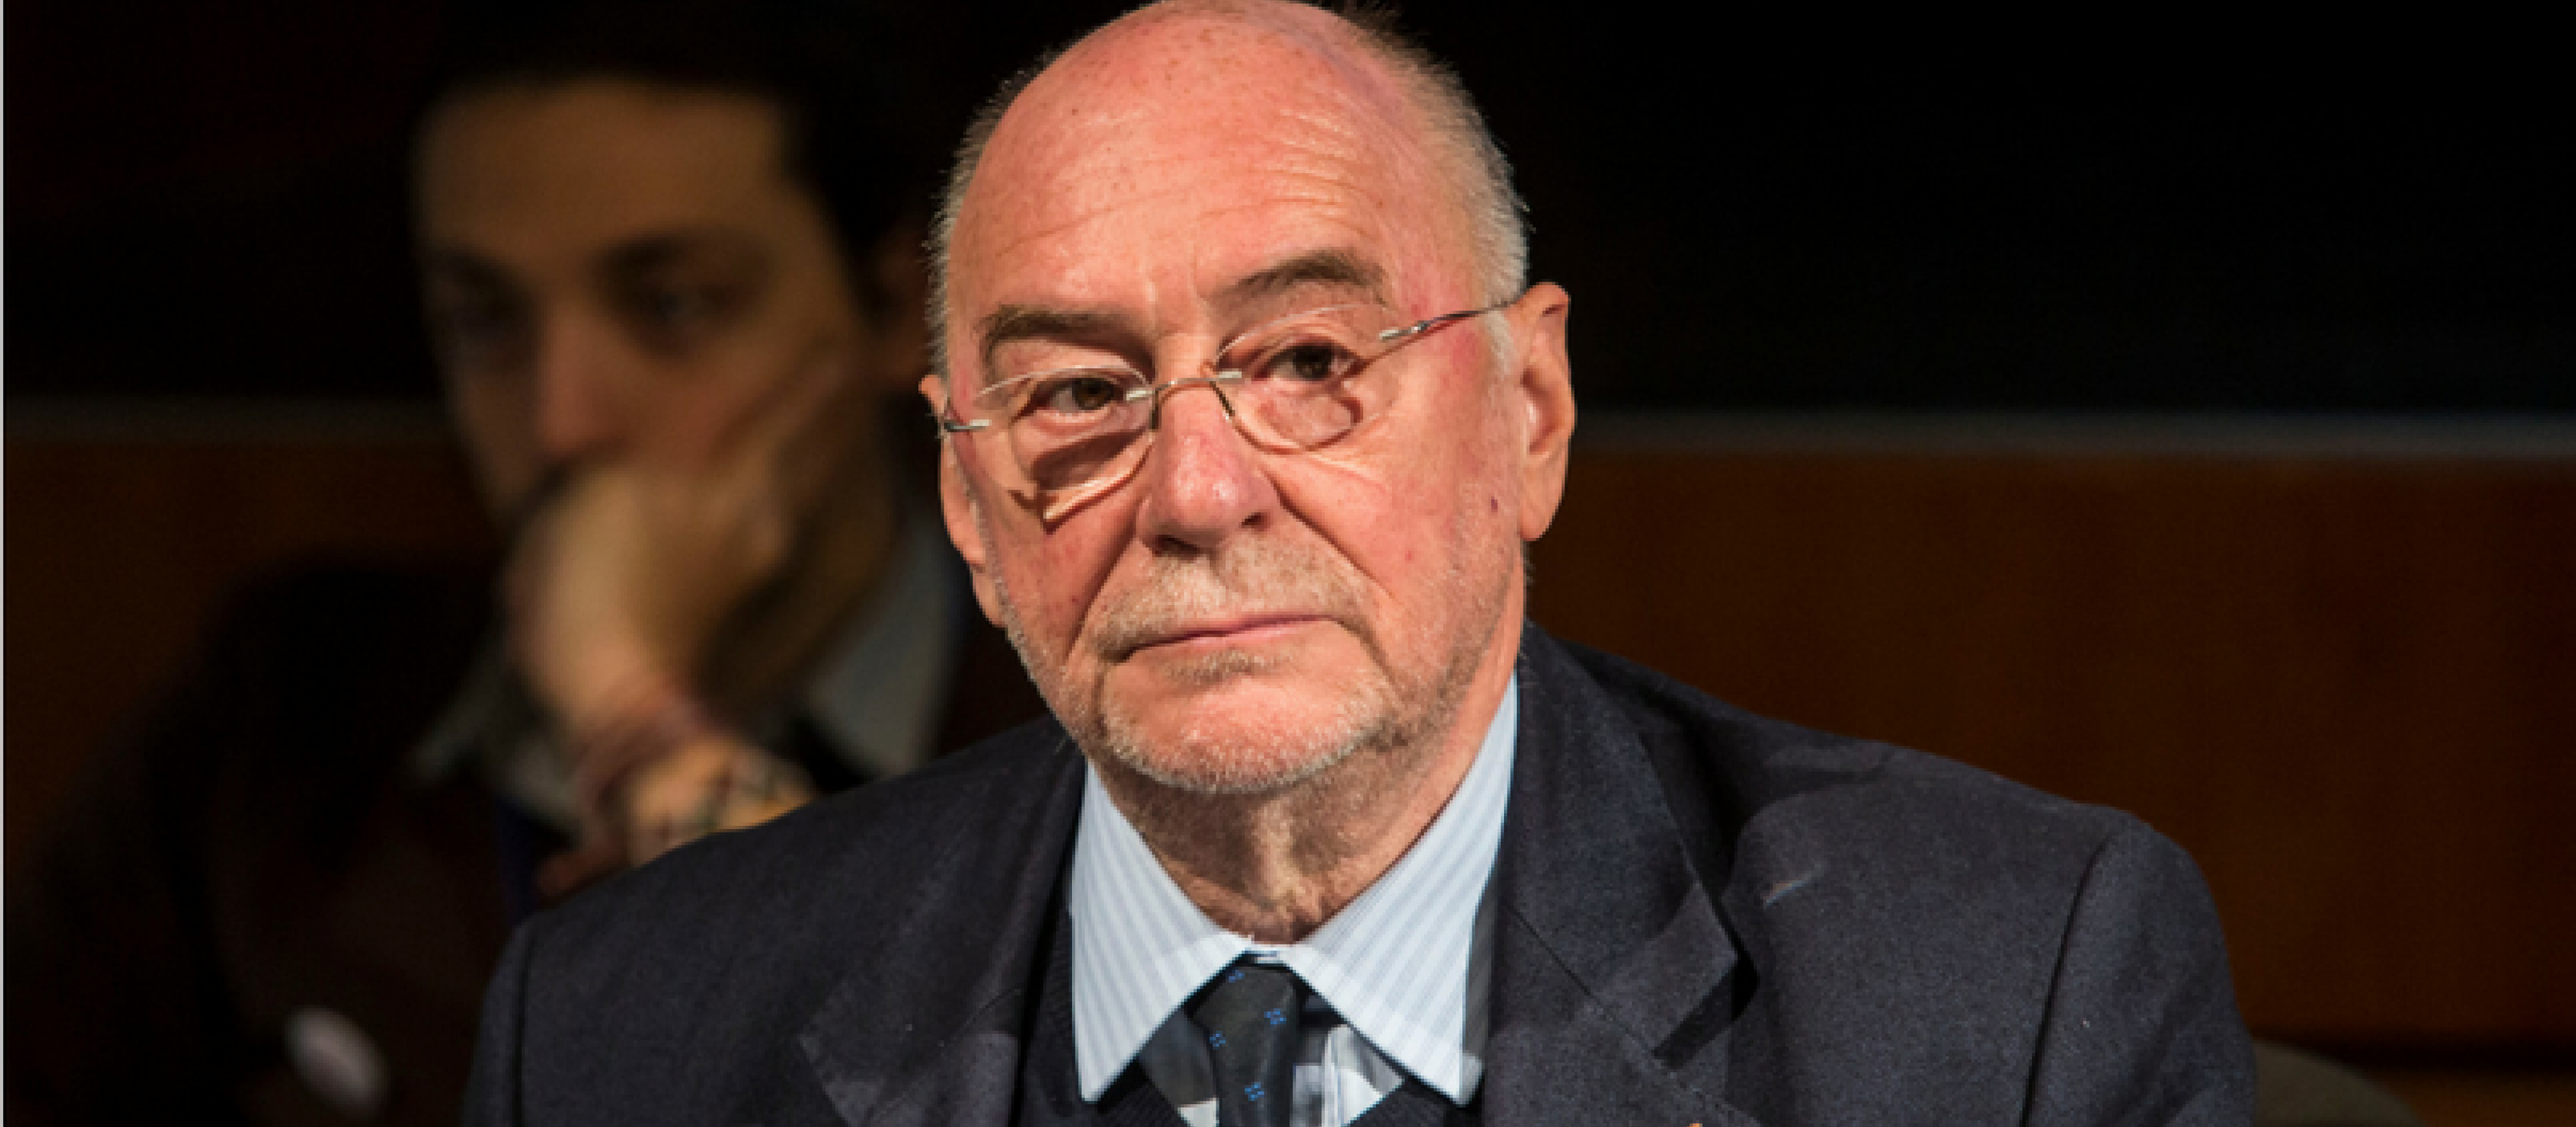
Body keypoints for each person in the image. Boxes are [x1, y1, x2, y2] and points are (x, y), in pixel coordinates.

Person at [462, 2, 2256, 1124]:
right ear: (968, 503)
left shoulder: (2005, 999)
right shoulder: (618, 1040)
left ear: (1529, 412)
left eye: (1311, 362)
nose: (1197, 491)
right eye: (1078, 394)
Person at [5, 3, 1043, 1125]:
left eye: (672, 305)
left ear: (897, 307)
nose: (560, 423)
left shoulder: (1070, 719)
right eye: (485, 320)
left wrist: (634, 713)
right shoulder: (290, 705)